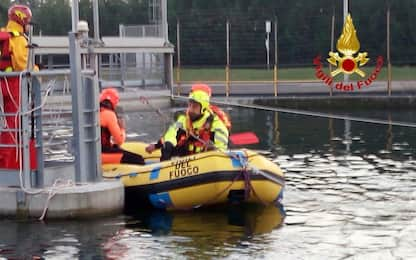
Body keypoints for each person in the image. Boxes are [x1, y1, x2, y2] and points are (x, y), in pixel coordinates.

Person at [145, 83, 229, 161]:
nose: (191, 109)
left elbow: (221, 149)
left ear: (203, 108)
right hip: (186, 160)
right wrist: (158, 145)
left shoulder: (216, 124)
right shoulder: (184, 120)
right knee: (167, 147)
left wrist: (214, 149)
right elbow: (171, 134)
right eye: (190, 105)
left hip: (205, 161)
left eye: (195, 106)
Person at [0, 4, 35, 169]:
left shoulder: (3, 34)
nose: (28, 25)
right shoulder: (19, 39)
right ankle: (6, 165)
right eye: (28, 21)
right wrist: (36, 69)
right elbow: (23, 64)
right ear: (22, 20)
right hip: (12, 86)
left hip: (2, 83)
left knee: (6, 124)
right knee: (12, 125)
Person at [100, 88, 145, 165]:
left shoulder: (96, 112)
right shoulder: (109, 114)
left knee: (116, 148)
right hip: (102, 155)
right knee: (139, 159)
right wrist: (122, 128)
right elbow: (119, 141)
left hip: (93, 154)